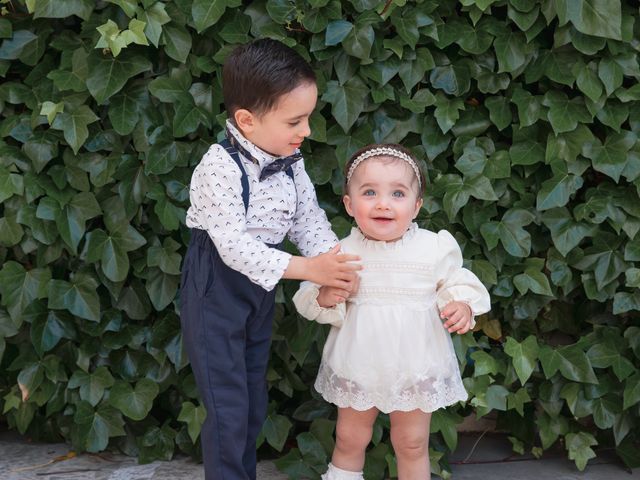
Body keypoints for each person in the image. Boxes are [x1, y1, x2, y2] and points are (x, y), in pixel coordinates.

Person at [180, 38, 362, 480]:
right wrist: (307, 270)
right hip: (215, 288)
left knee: (252, 399)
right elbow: (232, 246)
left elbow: (307, 220)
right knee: (227, 403)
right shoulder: (219, 168)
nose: (307, 131)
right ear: (247, 120)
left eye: (309, 117)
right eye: (295, 120)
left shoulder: (290, 158)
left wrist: (333, 263)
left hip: (261, 288)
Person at [293, 144, 491, 480]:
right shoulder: (342, 251)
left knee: (412, 442)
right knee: (349, 438)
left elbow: (458, 282)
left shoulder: (433, 248)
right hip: (359, 362)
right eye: (369, 192)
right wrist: (328, 294)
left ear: (416, 207)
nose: (383, 203)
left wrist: (461, 305)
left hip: (415, 363)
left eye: (397, 193)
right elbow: (310, 296)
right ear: (349, 204)